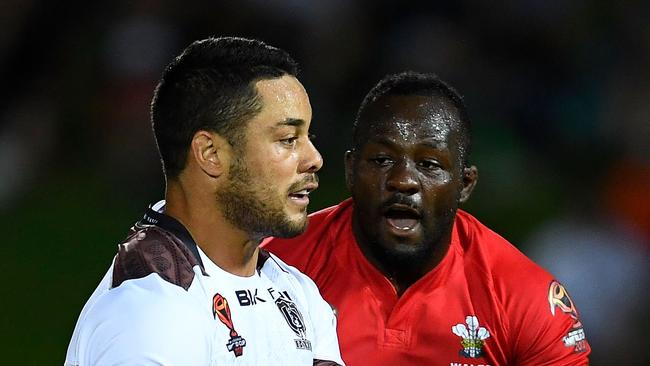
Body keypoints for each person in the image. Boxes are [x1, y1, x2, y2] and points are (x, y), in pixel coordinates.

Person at [262, 72, 591, 365]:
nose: (403, 180)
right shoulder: (276, 268)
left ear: (465, 184)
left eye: (430, 164)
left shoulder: (522, 296)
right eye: (381, 159)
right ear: (351, 171)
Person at [65, 37, 344, 366]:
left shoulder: (297, 291)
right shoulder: (151, 310)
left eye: (308, 137)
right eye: (287, 140)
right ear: (211, 154)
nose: (314, 158)